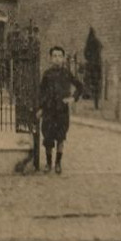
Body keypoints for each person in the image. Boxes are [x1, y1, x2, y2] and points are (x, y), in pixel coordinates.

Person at [37, 46, 83, 174]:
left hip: (62, 111)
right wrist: (40, 108)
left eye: (59, 56)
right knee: (48, 138)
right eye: (54, 56)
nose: (57, 59)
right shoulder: (46, 75)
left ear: (63, 58)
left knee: (61, 138)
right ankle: (48, 163)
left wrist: (72, 98)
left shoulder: (67, 73)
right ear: (50, 58)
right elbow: (41, 93)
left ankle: (58, 164)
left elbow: (79, 87)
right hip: (48, 111)